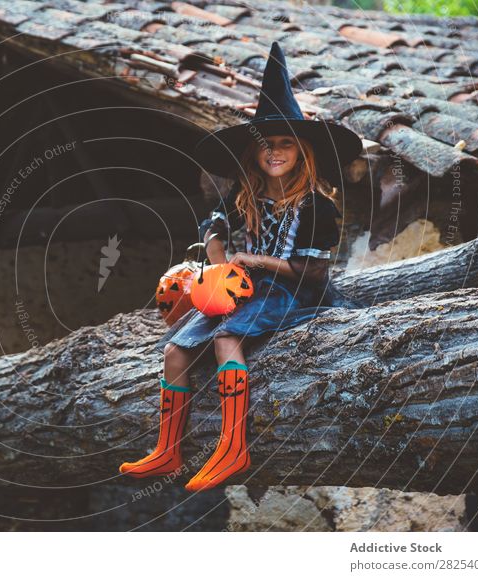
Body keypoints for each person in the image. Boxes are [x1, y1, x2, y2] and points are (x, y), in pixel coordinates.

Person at [119, 41, 363, 492]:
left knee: (227, 338)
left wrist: (256, 259)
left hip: (291, 291)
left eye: (286, 144)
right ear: (254, 152)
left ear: (302, 151)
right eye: (266, 145)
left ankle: (233, 447)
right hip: (244, 289)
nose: (275, 152)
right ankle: (168, 450)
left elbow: (314, 273)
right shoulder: (245, 195)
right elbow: (211, 222)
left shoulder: (315, 207)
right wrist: (216, 262)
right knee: (174, 350)